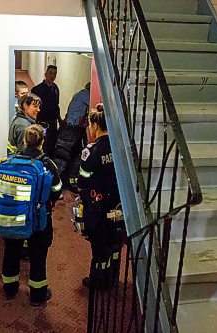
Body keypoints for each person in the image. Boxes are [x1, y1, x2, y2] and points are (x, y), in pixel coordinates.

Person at [1, 124, 63, 306]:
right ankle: (38, 294)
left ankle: (10, 288)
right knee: (38, 254)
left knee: (11, 250)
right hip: (39, 217)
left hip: (14, 216)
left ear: (25, 141)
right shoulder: (47, 164)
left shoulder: (11, 161)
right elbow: (57, 189)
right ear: (42, 142)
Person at [77, 104, 122, 290]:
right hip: (117, 204)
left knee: (99, 246)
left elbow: (83, 180)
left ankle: (97, 282)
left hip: (97, 206)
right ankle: (112, 279)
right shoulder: (119, 147)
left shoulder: (91, 151)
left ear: (95, 125)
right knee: (115, 244)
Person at [54, 82, 91, 193]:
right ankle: (55, 187)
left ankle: (70, 182)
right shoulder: (86, 94)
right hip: (71, 130)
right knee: (62, 158)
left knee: (75, 156)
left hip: (74, 129)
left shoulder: (80, 93)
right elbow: (95, 104)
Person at [31, 65, 61, 157]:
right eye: (50, 73)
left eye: (54, 74)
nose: (52, 76)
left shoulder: (55, 88)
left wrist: (59, 119)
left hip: (53, 121)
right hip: (42, 121)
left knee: (52, 142)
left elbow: (56, 105)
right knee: (42, 142)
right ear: (45, 74)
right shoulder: (37, 90)